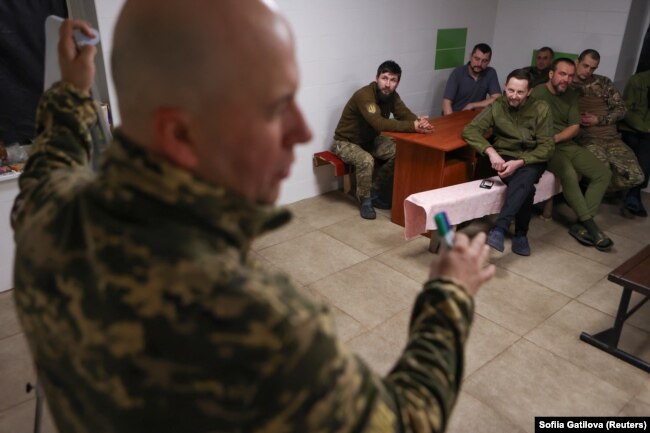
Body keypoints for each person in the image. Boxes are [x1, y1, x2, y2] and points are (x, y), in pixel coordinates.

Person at [11, 2, 495, 433]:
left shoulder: (45, 214)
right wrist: (449, 295)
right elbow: (408, 420)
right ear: (180, 133)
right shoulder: (254, 328)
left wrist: (70, 91)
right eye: (273, 107)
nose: (302, 129)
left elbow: (51, 160)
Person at [462, 69, 554, 256]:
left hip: (532, 157)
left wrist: (521, 162)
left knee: (525, 177)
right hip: (505, 156)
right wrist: (491, 152)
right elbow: (470, 131)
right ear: (505, 87)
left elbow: (548, 147)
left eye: (520, 92)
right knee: (526, 187)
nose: (514, 96)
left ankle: (500, 228)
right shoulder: (498, 105)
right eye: (510, 90)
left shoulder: (541, 108)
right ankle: (521, 234)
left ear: (529, 92)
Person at [331, 60, 433, 219]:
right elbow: (378, 123)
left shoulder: (392, 96)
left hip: (370, 140)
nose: (388, 84)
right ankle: (364, 200)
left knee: (400, 151)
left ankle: (374, 190)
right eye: (385, 78)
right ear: (376, 78)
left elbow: (404, 114)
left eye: (393, 80)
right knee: (366, 160)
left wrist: (420, 123)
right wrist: (412, 126)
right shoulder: (364, 95)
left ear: (397, 83)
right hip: (345, 142)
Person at [531, 58, 614, 251]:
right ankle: (591, 227)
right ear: (552, 74)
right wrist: (548, 141)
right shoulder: (537, 93)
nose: (566, 79)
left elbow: (575, 126)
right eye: (562, 74)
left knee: (603, 174)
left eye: (569, 75)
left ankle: (580, 225)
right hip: (546, 148)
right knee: (568, 173)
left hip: (564, 143)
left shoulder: (571, 95)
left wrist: (557, 138)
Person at [571, 49, 644, 192]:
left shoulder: (603, 82)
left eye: (592, 68)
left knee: (636, 177)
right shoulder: (567, 84)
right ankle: (587, 195)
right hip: (587, 138)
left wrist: (599, 119)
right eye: (585, 66)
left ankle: (595, 190)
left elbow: (622, 109)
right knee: (601, 171)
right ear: (577, 62)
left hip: (611, 138)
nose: (588, 71)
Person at [619, 69, 650, 217]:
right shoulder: (638, 80)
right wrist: (645, 128)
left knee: (647, 145)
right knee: (645, 145)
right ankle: (634, 193)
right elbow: (625, 109)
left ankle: (634, 192)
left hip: (647, 133)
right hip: (631, 128)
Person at [442, 43, 501, 115]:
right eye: (477, 59)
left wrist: (472, 105)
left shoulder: (490, 72)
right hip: (455, 115)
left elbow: (497, 98)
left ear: (489, 61)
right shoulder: (457, 73)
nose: (479, 64)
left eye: (484, 61)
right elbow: (446, 103)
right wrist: (451, 121)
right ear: (470, 57)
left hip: (475, 117)